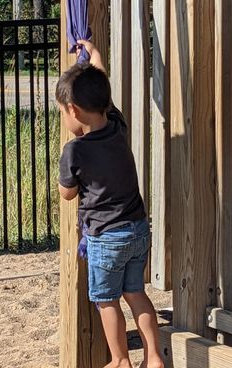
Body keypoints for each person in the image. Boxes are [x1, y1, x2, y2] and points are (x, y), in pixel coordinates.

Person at [56, 39, 164, 368]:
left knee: (106, 300)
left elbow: (67, 193)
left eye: (62, 112)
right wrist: (96, 55)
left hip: (106, 239)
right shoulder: (117, 126)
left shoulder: (74, 151)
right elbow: (103, 89)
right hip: (137, 230)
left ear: (72, 111)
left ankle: (120, 360)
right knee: (136, 294)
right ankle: (154, 357)